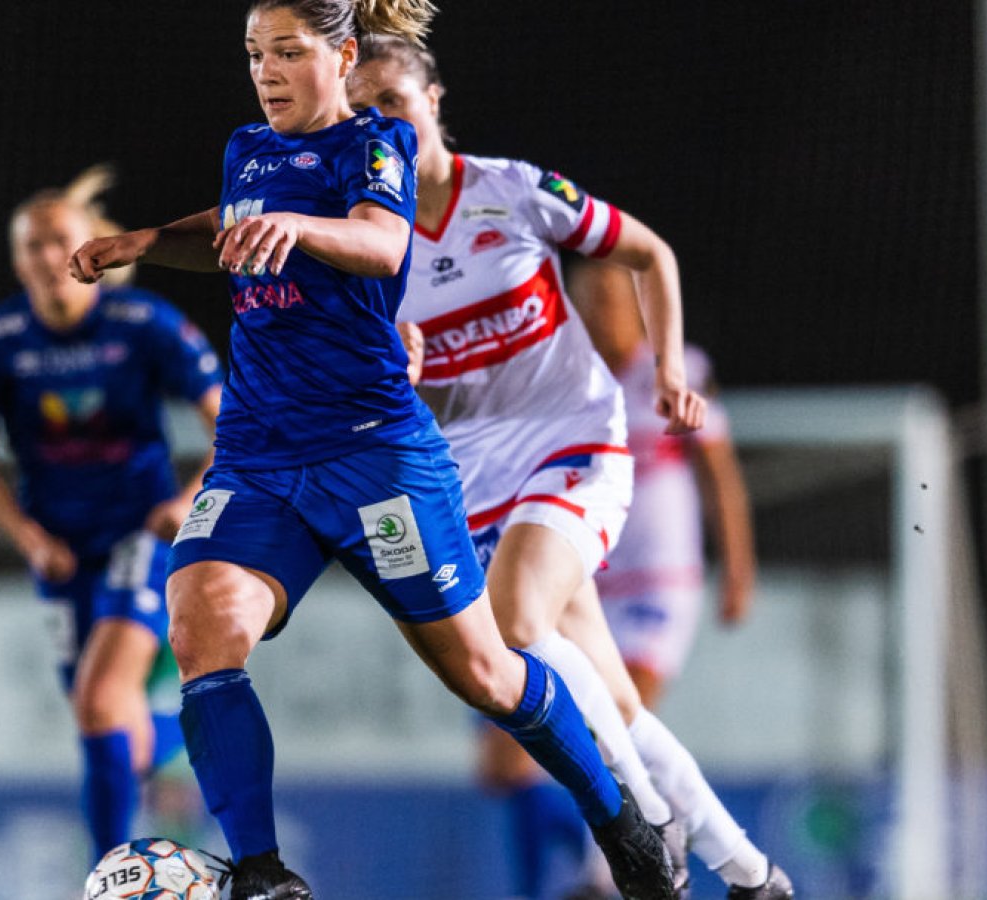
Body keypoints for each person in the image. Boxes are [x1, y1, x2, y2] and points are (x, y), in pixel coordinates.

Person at [68, 2, 677, 898]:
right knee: (201, 624)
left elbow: (383, 239)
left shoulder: (377, 145)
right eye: (252, 56)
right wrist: (151, 242)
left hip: (374, 455)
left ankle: (619, 818)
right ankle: (264, 874)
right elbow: (233, 228)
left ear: (342, 53)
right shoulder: (248, 149)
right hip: (258, 454)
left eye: (286, 52)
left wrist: (300, 230)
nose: (266, 72)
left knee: (485, 671)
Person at [349, 37, 792, 900]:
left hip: (574, 442)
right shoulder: (368, 246)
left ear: (434, 99)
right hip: (474, 478)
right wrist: (392, 376)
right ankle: (751, 873)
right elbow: (385, 386)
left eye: (395, 103)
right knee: (612, 704)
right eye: (364, 115)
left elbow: (648, 254)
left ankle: (643, 822)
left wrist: (666, 367)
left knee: (516, 623)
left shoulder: (511, 189)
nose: (384, 128)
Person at [0, 166, 224, 862]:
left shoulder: (145, 325)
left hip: (142, 536)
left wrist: (185, 502)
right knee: (108, 726)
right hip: (62, 553)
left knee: (103, 700)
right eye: (31, 246)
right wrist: (26, 535)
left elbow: (229, 424)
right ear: (16, 260)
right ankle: (174, 738)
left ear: (93, 248)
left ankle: (111, 875)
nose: (47, 258)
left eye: (59, 241)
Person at [570, 258, 758, 708]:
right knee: (514, 756)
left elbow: (720, 475)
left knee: (619, 716)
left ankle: (648, 780)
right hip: (584, 582)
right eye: (589, 303)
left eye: (610, 300)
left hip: (660, 577)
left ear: (636, 306)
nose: (601, 313)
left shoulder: (677, 372)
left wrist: (738, 567)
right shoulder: (570, 384)